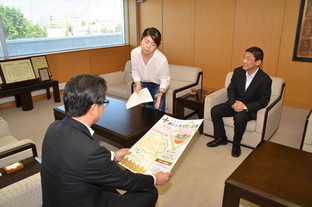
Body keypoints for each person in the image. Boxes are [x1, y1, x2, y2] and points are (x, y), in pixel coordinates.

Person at [41, 73, 172, 207]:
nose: (103, 107)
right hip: (86, 201)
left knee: (113, 181)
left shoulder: (53, 128)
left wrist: (113, 155)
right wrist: (155, 179)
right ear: (93, 109)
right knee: (149, 191)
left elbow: (75, 158)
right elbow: (126, 181)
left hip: (62, 198)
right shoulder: (91, 152)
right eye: (103, 102)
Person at [207, 47, 272, 157]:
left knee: (239, 118)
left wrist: (245, 107)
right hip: (234, 103)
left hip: (248, 108)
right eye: (244, 57)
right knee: (215, 110)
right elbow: (231, 89)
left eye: (248, 58)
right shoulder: (238, 72)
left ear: (258, 62)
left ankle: (236, 145)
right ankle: (221, 138)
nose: (244, 61)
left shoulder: (265, 80)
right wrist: (233, 103)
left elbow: (263, 101)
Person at [131, 27, 170, 112]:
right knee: (147, 111)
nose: (148, 46)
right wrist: (138, 84)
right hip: (144, 84)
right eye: (146, 42)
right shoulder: (134, 53)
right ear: (141, 39)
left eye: (153, 44)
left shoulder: (161, 59)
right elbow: (135, 70)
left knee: (158, 110)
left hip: (158, 86)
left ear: (157, 46)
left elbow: (164, 79)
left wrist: (161, 93)